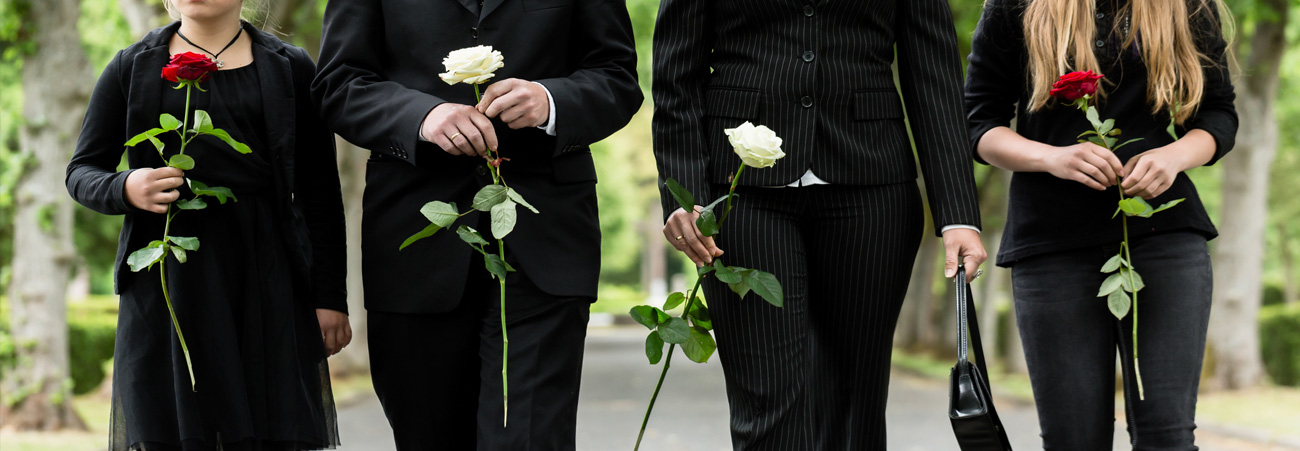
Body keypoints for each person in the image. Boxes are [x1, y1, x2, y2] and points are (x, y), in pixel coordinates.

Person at [652, 1, 987, 448]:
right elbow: (675, 76)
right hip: (739, 195)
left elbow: (934, 78)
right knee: (765, 399)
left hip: (873, 185)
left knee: (854, 401)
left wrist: (958, 215)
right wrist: (685, 194)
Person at [311, 0, 641, 448]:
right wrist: (422, 118)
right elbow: (339, 82)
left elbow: (617, 75)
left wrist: (551, 100)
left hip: (547, 240)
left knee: (529, 438)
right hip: (413, 242)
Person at [66, 0, 351, 450]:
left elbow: (319, 193)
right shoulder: (132, 65)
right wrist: (126, 187)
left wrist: (331, 297)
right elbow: (82, 171)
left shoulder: (290, 67)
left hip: (267, 282)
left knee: (268, 431)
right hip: (166, 281)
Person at [965, 0, 1236, 447]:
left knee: (1167, 436)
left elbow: (1219, 114)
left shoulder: (1189, 7)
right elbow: (978, 122)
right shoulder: (1016, 6)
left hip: (1164, 237)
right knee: (1074, 439)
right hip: (1050, 244)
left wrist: (1173, 157)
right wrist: (1051, 157)